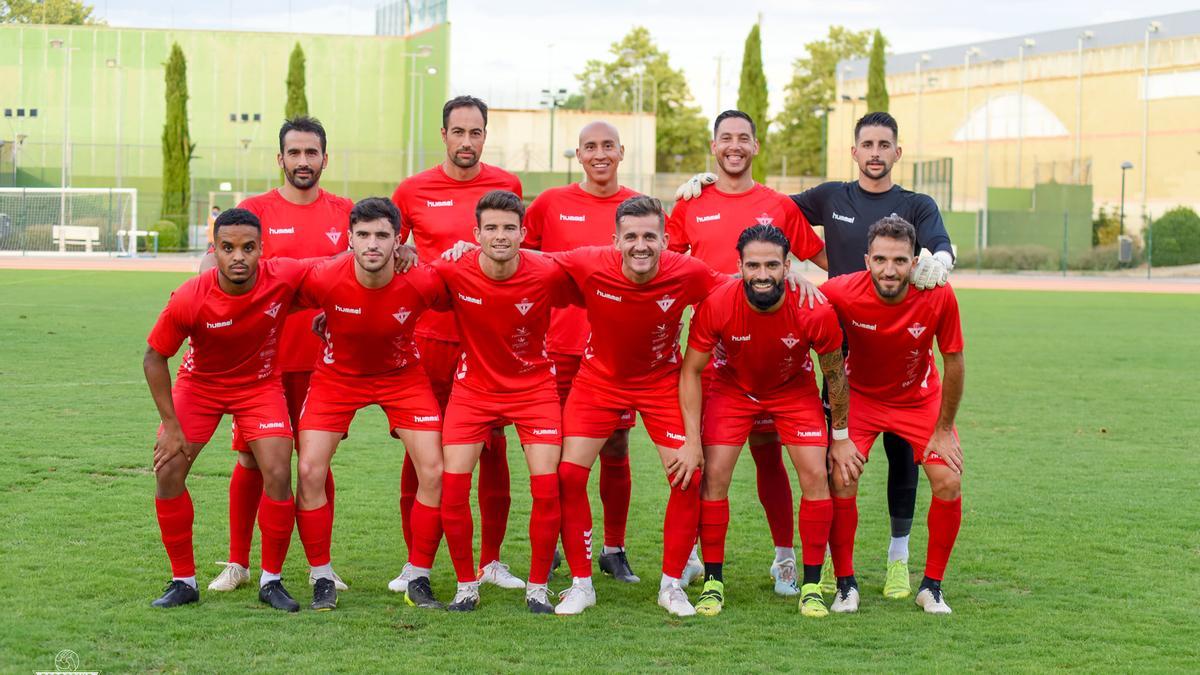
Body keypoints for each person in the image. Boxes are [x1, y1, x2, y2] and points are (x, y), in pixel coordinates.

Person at [676, 110, 957, 599]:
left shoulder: (917, 204)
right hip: (777, 338)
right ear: (854, 151)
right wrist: (710, 182)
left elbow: (934, 247)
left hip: (862, 332)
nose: (874, 152)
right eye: (866, 144)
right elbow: (738, 215)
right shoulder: (827, 196)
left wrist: (936, 265)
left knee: (893, 457)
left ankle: (894, 558)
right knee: (824, 459)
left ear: (896, 151)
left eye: (883, 144)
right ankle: (818, 564)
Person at [667, 110, 828, 596]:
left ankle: (784, 557)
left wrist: (805, 278)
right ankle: (692, 557)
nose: (734, 146)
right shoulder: (690, 203)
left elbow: (828, 262)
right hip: (714, 353)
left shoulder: (777, 205)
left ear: (756, 146)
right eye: (725, 139)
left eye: (743, 138)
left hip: (776, 356)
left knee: (769, 459)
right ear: (713, 146)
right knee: (699, 462)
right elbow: (662, 264)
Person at [550, 195, 728, 617]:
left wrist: (795, 282)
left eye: (650, 236)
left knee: (688, 474)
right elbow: (529, 261)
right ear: (615, 240)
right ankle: (580, 584)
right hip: (598, 381)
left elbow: (737, 285)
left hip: (661, 381)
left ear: (666, 240)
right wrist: (470, 250)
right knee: (569, 475)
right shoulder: (589, 261)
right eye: (631, 237)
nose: (640, 245)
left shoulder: (688, 272)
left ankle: (671, 585)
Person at [202, 117, 356, 595]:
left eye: (312, 153)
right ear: (281, 159)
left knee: (314, 463)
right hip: (260, 364)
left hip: (324, 363)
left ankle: (321, 567)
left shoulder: (346, 213)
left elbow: (366, 267)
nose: (304, 162)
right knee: (252, 461)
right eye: (295, 153)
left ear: (325, 159)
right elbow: (217, 264)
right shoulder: (254, 210)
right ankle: (238, 562)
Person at [388, 96, 525, 593]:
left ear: (485, 135)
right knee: (419, 448)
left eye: (476, 132)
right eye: (458, 132)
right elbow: (389, 254)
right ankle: (414, 562)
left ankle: (490, 562)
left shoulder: (506, 185)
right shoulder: (413, 190)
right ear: (443, 134)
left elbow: (519, 253)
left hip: (488, 340)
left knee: (493, 448)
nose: (467, 142)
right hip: (427, 340)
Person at [144, 208, 312, 612]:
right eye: (228, 248)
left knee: (277, 470)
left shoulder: (283, 276)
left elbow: (336, 268)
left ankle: (271, 580)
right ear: (214, 250)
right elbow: (154, 357)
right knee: (168, 471)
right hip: (200, 385)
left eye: (248, 248)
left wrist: (400, 251)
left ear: (261, 250)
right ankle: (183, 580)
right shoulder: (190, 296)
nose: (239, 256)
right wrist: (170, 425)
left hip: (259, 386)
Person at [680, 223, 850, 618]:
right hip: (733, 389)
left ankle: (809, 585)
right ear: (738, 265)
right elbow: (690, 371)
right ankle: (713, 582)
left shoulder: (815, 309)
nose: (761, 274)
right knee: (715, 475)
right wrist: (691, 439)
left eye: (771, 265)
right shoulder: (718, 303)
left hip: (793, 391)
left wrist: (839, 436)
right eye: (752, 265)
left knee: (815, 475)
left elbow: (836, 375)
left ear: (787, 266)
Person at [291, 198, 448, 612]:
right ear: (349, 239)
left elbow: (463, 295)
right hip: (336, 377)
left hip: (402, 376)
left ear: (399, 240)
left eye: (382, 235)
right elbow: (274, 296)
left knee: (434, 470)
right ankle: (321, 575)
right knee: (308, 469)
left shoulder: (420, 280)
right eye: (363, 235)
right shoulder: (324, 277)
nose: (372, 244)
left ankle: (419, 575)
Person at [432, 190, 577, 614]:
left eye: (509, 228)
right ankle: (465, 587)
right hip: (473, 390)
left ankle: (536, 588)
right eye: (491, 228)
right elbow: (402, 283)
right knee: (453, 488)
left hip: (534, 390)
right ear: (475, 233)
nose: (500, 236)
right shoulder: (452, 267)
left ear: (523, 233)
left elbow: (599, 271)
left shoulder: (547, 272)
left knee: (547, 489)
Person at [819, 215, 965, 615]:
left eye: (900, 260)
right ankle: (845, 585)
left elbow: (954, 362)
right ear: (867, 260)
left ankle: (931, 587)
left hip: (918, 399)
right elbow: (802, 305)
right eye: (881, 259)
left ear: (915, 262)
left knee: (948, 480)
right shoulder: (842, 291)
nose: (889, 269)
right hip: (862, 398)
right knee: (841, 475)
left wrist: (944, 429)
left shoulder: (938, 295)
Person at [522, 120, 641, 583]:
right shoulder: (552, 203)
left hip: (615, 352)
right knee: (553, 451)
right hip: (557, 347)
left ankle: (614, 549)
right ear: (578, 154)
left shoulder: (636, 207)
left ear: (621, 151)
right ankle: (554, 542)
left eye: (607, 145)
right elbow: (519, 259)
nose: (599, 154)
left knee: (615, 445)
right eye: (590, 146)